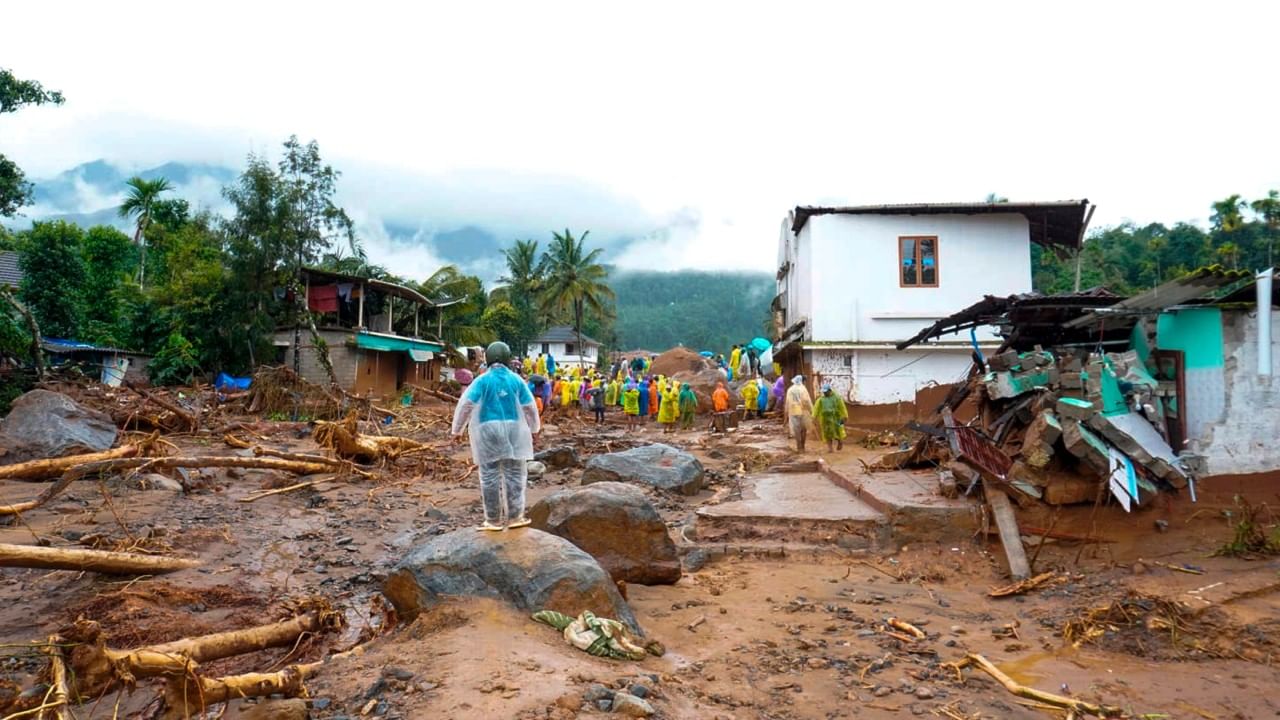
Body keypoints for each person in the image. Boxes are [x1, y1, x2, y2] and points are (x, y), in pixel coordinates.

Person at [450, 341, 541, 531]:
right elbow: (529, 407)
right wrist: (534, 429)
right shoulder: (516, 380)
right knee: (515, 474)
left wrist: (457, 430)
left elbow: (466, 404)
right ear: (508, 358)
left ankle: (493, 520)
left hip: (487, 430)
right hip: (514, 429)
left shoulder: (482, 381)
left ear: (489, 358)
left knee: (489, 475)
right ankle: (516, 516)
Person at [813, 383, 848, 451]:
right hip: (825, 419)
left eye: (826, 392)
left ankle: (840, 441)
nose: (825, 393)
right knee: (827, 434)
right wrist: (814, 417)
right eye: (824, 392)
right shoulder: (821, 399)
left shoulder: (837, 397)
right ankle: (830, 448)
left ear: (830, 390)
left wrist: (845, 416)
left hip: (837, 418)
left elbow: (842, 407)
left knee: (838, 432)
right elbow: (816, 408)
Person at [785, 375, 814, 452]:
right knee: (803, 429)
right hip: (803, 411)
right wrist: (812, 410)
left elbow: (787, 403)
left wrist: (786, 414)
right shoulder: (803, 389)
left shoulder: (790, 390)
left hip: (793, 412)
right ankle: (803, 447)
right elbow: (807, 401)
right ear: (801, 381)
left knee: (796, 430)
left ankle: (799, 447)